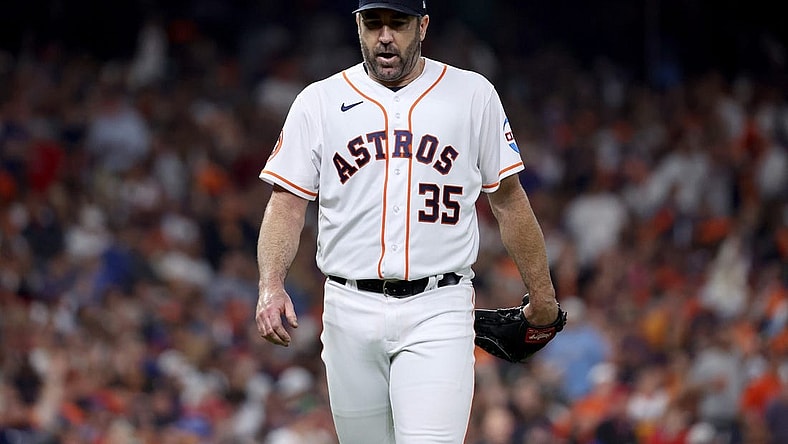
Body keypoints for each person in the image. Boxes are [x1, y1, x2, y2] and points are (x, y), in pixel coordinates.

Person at [255, 0, 560, 442]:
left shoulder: (473, 94)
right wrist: (271, 284)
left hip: (438, 306)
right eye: (373, 23)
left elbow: (509, 201)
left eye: (397, 23)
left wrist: (544, 296)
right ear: (357, 25)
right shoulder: (318, 101)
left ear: (423, 26)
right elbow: (285, 203)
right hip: (348, 308)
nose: (384, 36)